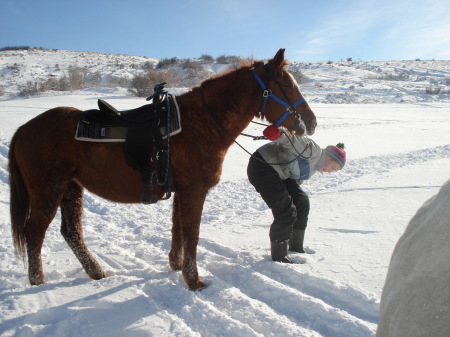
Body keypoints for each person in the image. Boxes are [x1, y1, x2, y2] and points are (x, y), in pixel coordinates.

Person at [247, 127, 346, 263]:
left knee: (302, 201)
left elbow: (294, 183)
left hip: (280, 174)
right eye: (333, 167)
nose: (329, 171)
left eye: (333, 171)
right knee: (286, 211)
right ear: (328, 157)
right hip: (263, 166)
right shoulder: (314, 151)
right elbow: (292, 140)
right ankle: (279, 257)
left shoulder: (313, 169)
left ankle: (296, 247)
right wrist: (278, 134)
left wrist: (295, 199)